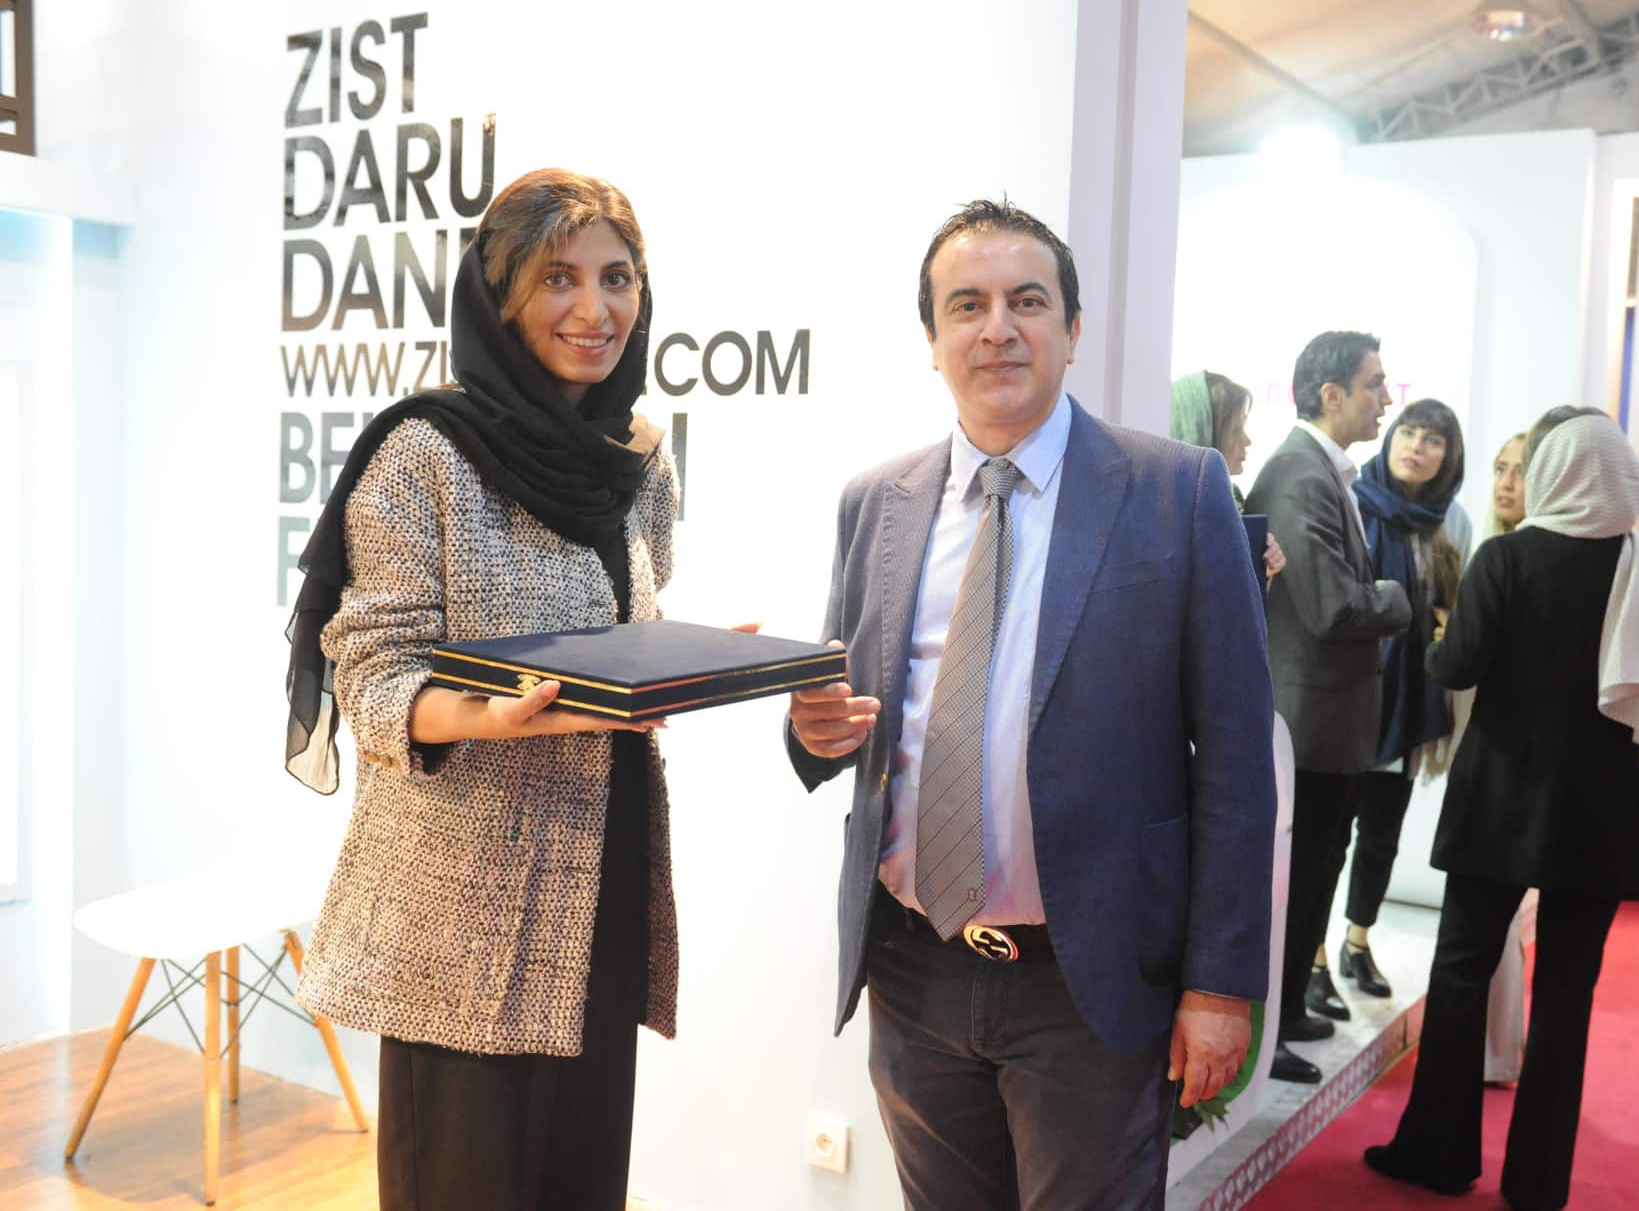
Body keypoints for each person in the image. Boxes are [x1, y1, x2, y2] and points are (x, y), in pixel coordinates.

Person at [784, 199, 1277, 1211]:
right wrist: (810, 732)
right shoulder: (876, 503)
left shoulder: (1178, 493)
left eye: (1028, 301)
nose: (997, 328)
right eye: (966, 305)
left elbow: (1236, 761)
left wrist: (1222, 984)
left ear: (1073, 328)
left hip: (1091, 979)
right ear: (932, 340)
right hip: (916, 970)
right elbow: (845, 711)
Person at [286, 169, 694, 1210]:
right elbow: (373, 678)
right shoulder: (422, 453)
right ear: (501, 296)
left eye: (617, 278)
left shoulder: (639, 462)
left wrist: (682, 660)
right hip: (462, 913)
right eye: (559, 278)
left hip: (600, 878)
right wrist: (490, 717)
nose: (595, 309)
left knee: (581, 1183)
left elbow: (625, 624)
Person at [1363, 407, 1639, 1211]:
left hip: (1500, 797)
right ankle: (1538, 1184)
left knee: (1460, 976)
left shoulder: (1507, 556)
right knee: (1566, 1001)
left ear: (1552, 473)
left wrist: (1438, 635)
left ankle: (1438, 1153)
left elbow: (1457, 666)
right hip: (1603, 811)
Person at [1242, 331, 1411, 1086]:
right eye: (1374, 384)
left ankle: (1284, 1016)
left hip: (1326, 725)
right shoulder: (1299, 475)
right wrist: (1401, 596)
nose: (1386, 399)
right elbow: (1332, 607)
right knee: (1295, 883)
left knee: (1314, 875)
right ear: (1331, 394)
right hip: (1306, 727)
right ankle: (1265, 1033)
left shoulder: (1320, 472)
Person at [1331, 398, 1471, 1011]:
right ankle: (1313, 957)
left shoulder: (1452, 520)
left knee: (1382, 832)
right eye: (1408, 431)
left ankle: (1357, 942)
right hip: (1353, 695)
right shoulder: (1355, 502)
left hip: (1413, 698)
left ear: (1449, 456)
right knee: (1330, 835)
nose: (1416, 446)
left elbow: (1455, 609)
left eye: (1433, 440)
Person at [1478, 429, 1532, 1087]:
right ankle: (1495, 1048)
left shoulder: (1514, 560)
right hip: (1488, 759)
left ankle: (1496, 1051)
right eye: (1499, 468)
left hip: (1511, 768)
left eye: (1521, 470)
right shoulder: (1490, 551)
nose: (1507, 482)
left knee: (1496, 919)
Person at [1168, 369, 1285, 578]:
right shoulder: (1168, 518)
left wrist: (1264, 569)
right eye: (1236, 430)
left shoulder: (1232, 499)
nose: (1247, 441)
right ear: (1202, 432)